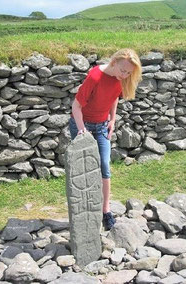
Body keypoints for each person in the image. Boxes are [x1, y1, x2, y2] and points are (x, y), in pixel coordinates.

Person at [69, 48, 142, 230]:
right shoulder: (95, 77)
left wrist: (112, 118)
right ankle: (84, 209)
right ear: (114, 62)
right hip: (82, 124)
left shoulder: (121, 79)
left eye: (128, 73)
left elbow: (114, 96)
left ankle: (106, 211)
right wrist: (81, 131)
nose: (124, 75)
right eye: (122, 70)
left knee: (104, 165)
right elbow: (76, 106)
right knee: (84, 168)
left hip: (102, 126)